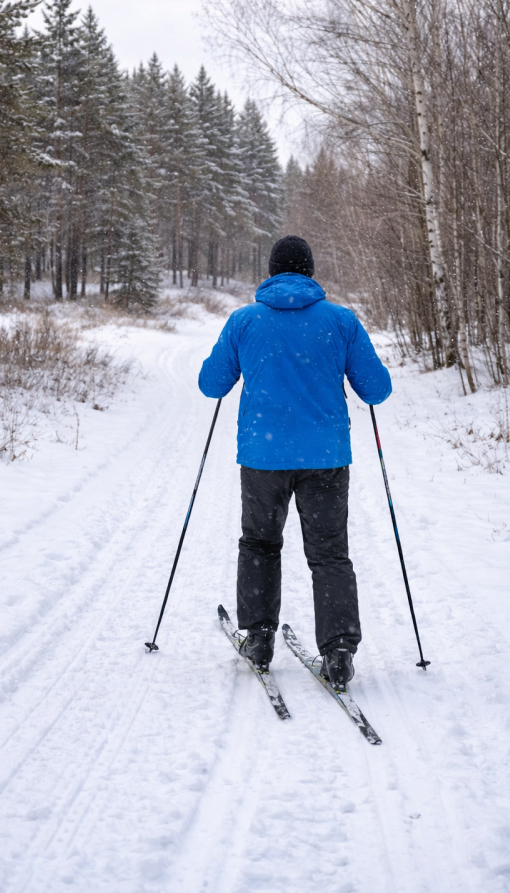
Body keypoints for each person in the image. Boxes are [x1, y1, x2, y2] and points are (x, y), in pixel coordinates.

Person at [198, 235, 392, 690]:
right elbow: (377, 390)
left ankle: (260, 638)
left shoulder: (244, 321)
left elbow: (211, 385)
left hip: (263, 460)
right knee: (329, 555)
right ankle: (340, 651)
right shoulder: (341, 321)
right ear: (309, 271)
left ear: (272, 271)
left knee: (260, 544)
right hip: (325, 459)